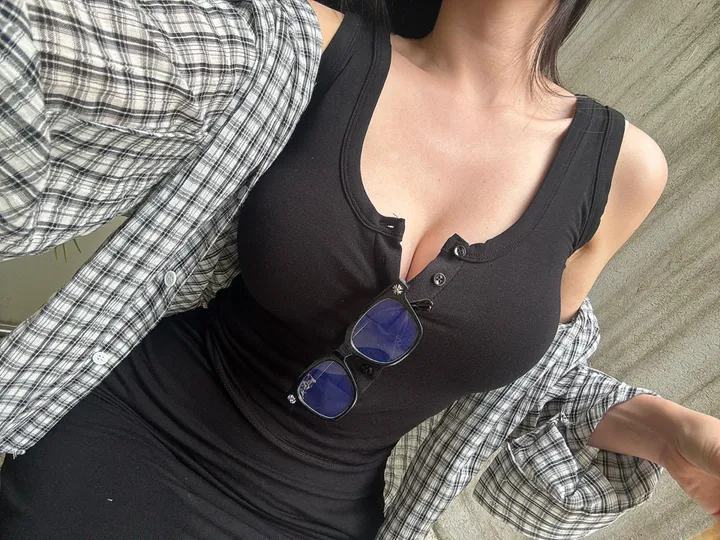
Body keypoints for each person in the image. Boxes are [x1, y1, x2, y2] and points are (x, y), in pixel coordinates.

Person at [0, 0, 718, 539]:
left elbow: (534, 393)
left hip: (323, 520)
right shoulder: (298, 43)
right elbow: (82, 56)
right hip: (117, 445)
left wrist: (669, 432)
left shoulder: (622, 172)